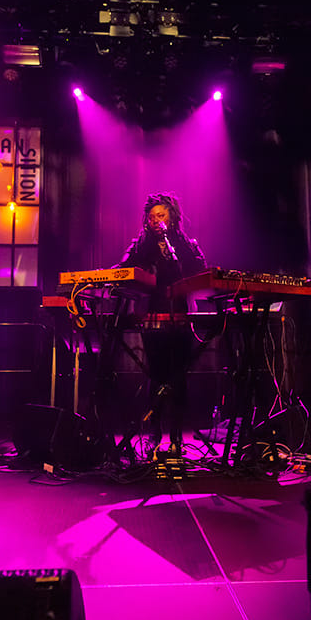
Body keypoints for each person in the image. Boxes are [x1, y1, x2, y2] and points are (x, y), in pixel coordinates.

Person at [115, 193, 207, 454]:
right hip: (152, 318)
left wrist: (173, 248)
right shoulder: (140, 245)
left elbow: (200, 269)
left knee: (179, 377)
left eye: (161, 215)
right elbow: (123, 269)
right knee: (156, 375)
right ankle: (154, 436)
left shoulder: (185, 244)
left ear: (172, 218)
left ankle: (177, 438)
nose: (156, 220)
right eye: (152, 217)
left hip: (181, 318)